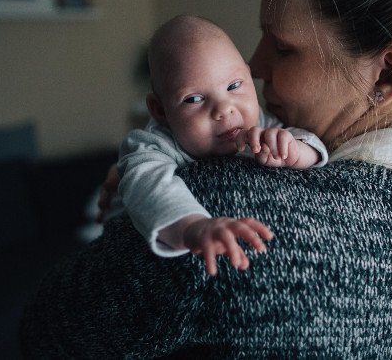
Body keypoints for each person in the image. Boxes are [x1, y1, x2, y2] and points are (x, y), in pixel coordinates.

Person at [20, 0, 392, 358]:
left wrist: (126, 232)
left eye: (283, 47)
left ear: (387, 73)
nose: (254, 65)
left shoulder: (222, 213)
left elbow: (45, 334)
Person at [116, 15, 327, 275]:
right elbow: (146, 186)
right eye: (194, 99)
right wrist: (193, 226)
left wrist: (295, 149)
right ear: (160, 110)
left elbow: (315, 148)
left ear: (250, 78)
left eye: (234, 86)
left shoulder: (261, 123)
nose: (224, 109)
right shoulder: (153, 144)